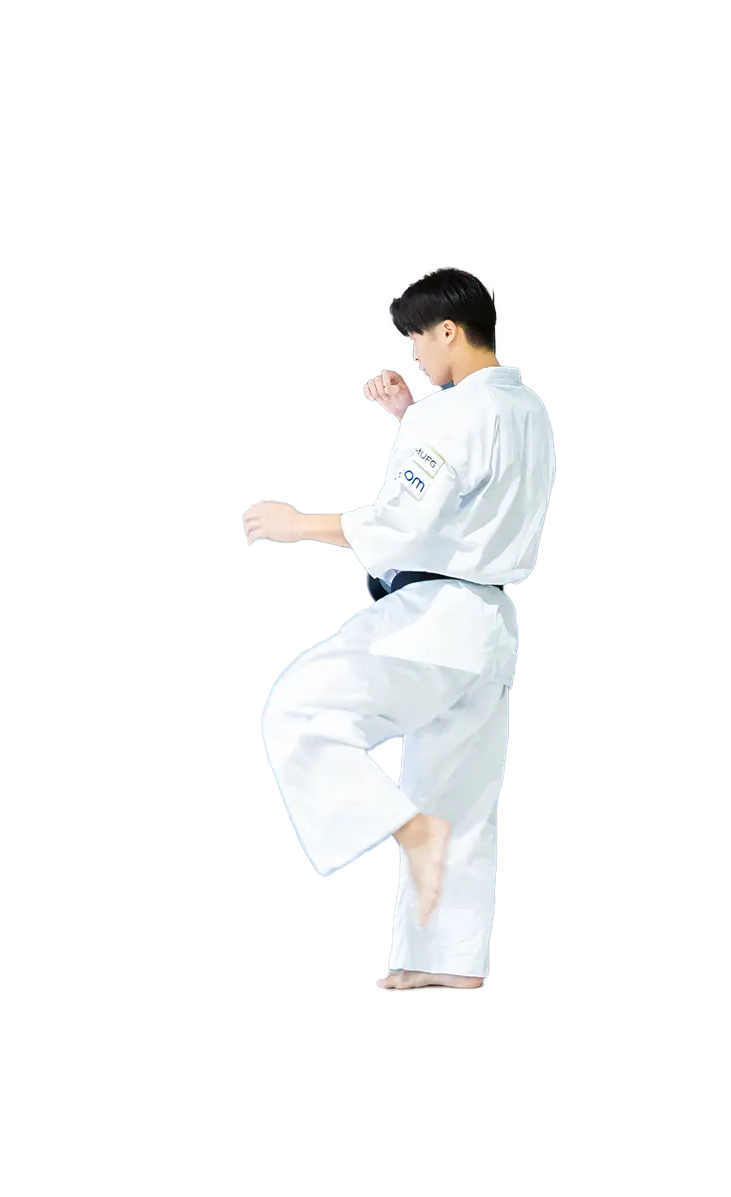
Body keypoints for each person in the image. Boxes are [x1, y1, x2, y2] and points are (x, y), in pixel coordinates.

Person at [244, 268, 555, 991]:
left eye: (416, 338)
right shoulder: (527, 409)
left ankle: (394, 824)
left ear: (448, 330)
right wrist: (411, 414)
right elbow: (470, 482)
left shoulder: (453, 415)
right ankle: (446, 963)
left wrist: (296, 525)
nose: (413, 353)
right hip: (490, 626)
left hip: (433, 619)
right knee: (460, 799)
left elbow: (401, 526)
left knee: (294, 709)